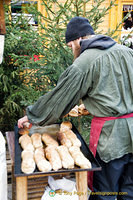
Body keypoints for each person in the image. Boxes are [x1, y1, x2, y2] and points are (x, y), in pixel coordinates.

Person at [18, 16, 133, 200]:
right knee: (129, 191)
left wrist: (32, 115)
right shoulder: (127, 52)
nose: (72, 50)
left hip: (111, 140)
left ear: (78, 40)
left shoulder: (85, 62)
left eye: (71, 46)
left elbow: (60, 98)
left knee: (106, 192)